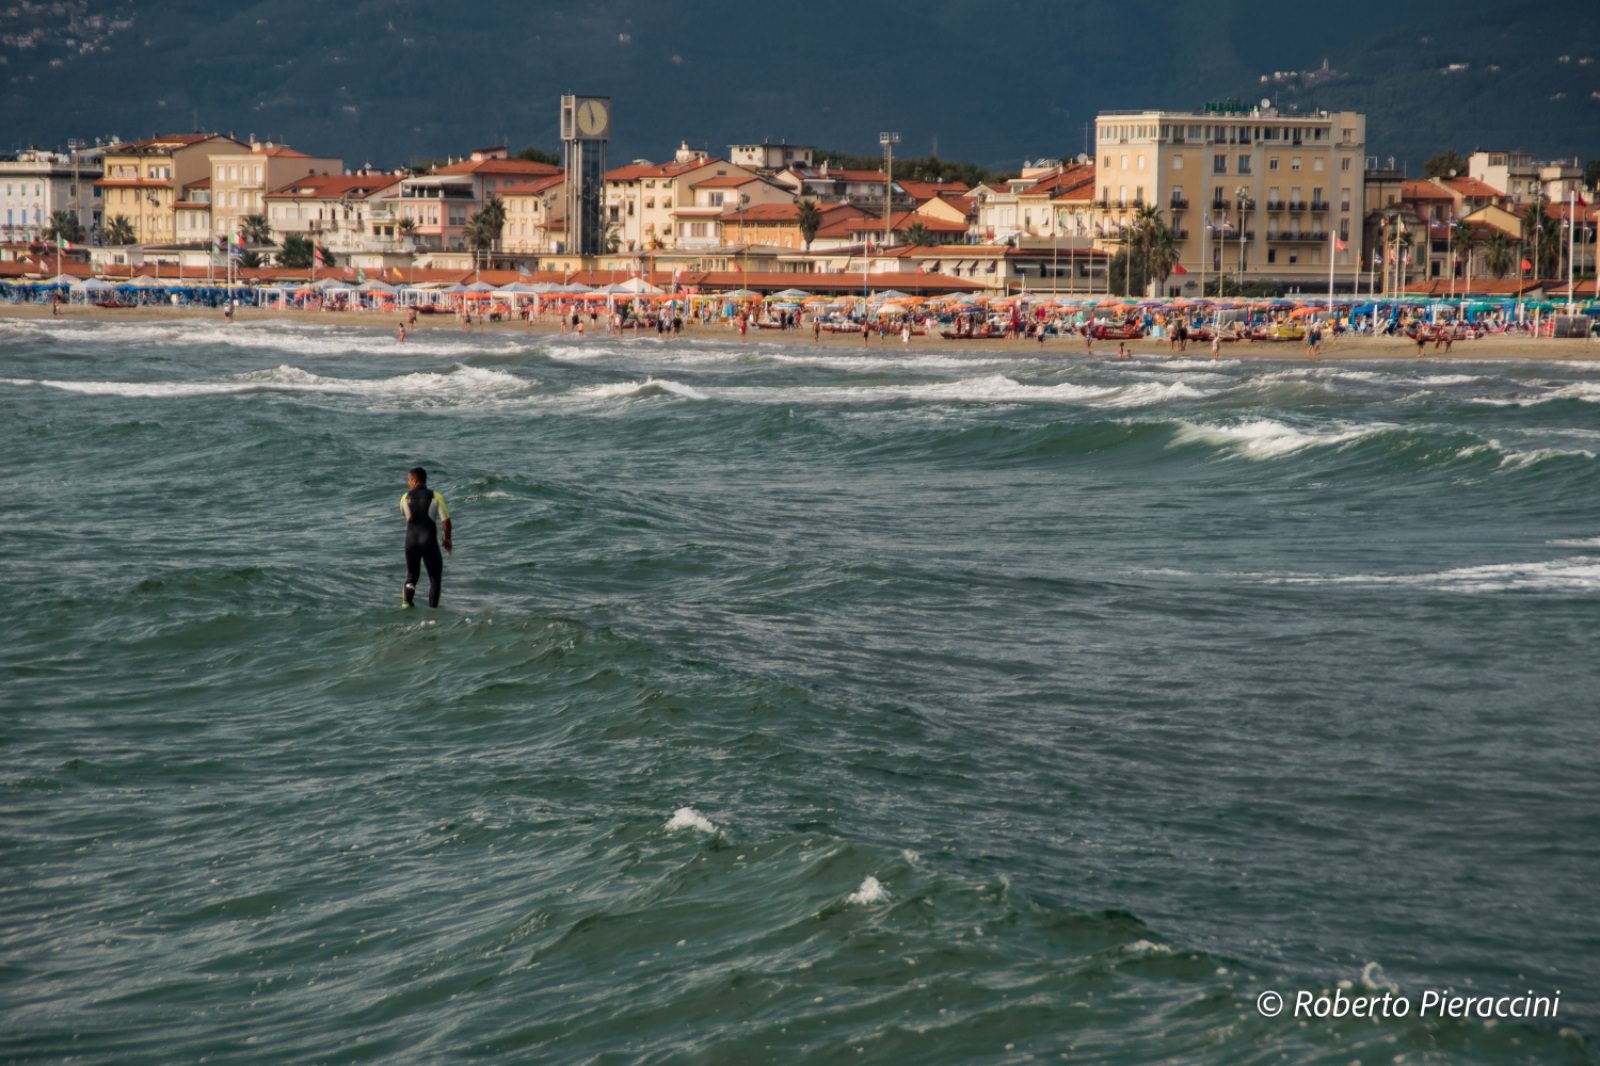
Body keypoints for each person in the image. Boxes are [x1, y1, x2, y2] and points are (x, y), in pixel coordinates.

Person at [400, 467, 452, 608]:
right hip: (428, 541)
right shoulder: (436, 496)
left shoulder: (405, 497)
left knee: (411, 575)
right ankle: (432, 611)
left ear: (415, 480)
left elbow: (404, 515)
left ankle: (406, 604)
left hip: (410, 541)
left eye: (409, 480)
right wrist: (447, 539)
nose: (408, 483)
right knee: (434, 578)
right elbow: (445, 521)